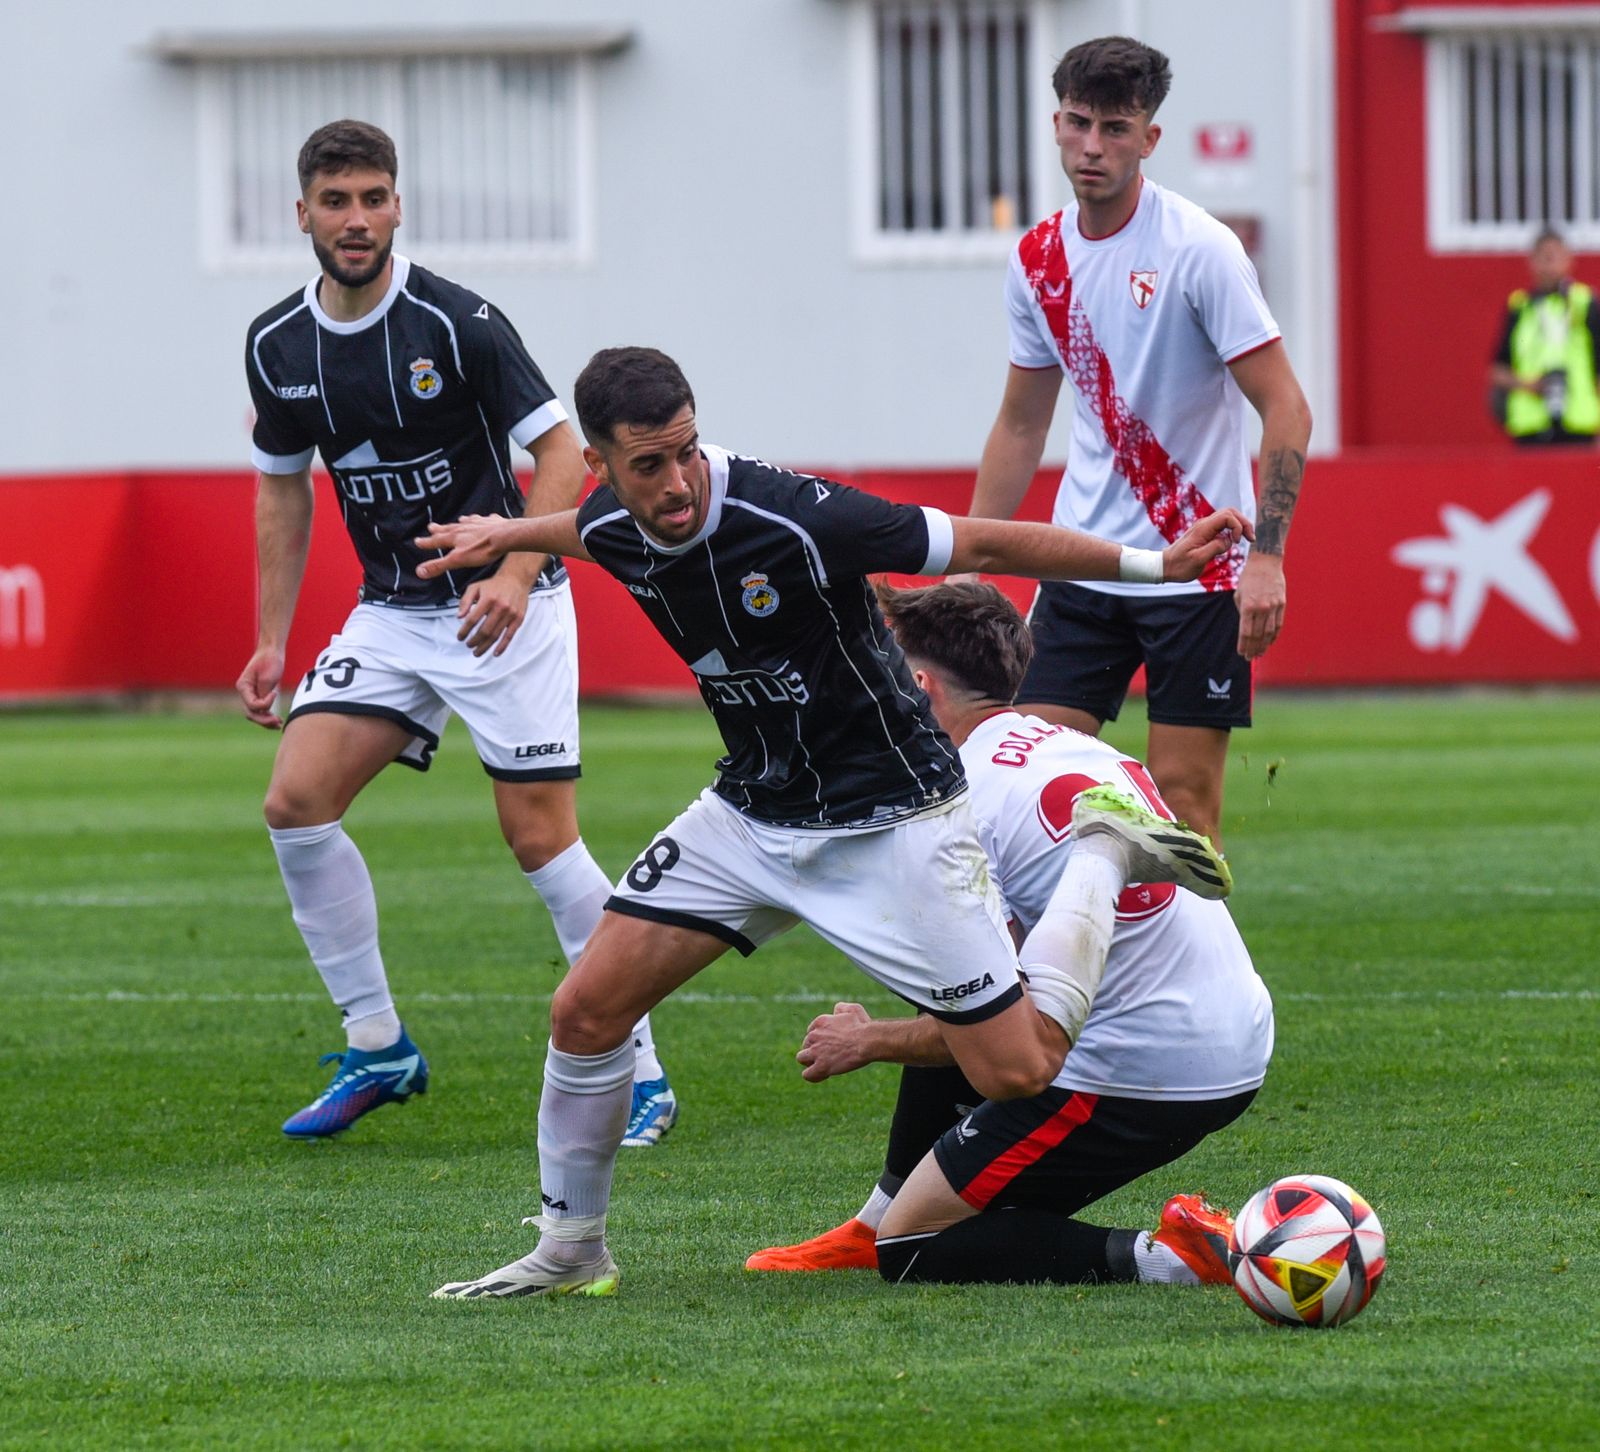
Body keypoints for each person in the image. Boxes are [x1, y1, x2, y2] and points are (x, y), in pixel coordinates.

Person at [412, 345, 1250, 1299]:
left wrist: (1155, 563)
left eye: (687, 451)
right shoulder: (611, 517)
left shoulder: (797, 518)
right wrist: (507, 533)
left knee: (1018, 1069)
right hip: (751, 813)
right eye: (649, 465)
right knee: (586, 1010)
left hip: (896, 818)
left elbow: (982, 545)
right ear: (601, 464)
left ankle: (1102, 854)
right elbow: (589, 528)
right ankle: (570, 1252)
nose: (678, 482)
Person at [239, 120, 676, 1146]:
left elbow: (565, 451)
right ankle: (379, 1044)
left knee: (539, 841)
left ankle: (640, 1071)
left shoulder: (459, 322)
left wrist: (520, 571)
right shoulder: (275, 344)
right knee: (295, 802)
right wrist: (271, 638)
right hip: (392, 612)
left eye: (375, 198)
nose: (358, 220)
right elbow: (281, 493)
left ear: (399, 206)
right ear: (301, 213)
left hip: (502, 610)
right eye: (337, 201)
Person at [746, 581, 1273, 1287]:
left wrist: (868, 1040)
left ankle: (1174, 1257)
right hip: (1224, 1033)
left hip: (1143, 1067)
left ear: (921, 686)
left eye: (878, 666)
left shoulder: (958, 802)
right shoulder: (1069, 744)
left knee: (917, 1245)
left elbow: (997, 1029)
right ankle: (875, 1216)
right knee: (958, 979)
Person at [962, 36, 1312, 848]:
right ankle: (1030, 980)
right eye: (1079, 124)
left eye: (1115, 129)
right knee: (1014, 785)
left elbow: (1287, 409)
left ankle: (1198, 980)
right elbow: (1021, 422)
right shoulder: (1039, 258)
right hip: (1087, 559)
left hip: (1200, 567)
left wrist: (1268, 557)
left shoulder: (1200, 250)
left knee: (1185, 809)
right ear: (1055, 123)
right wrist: (972, 562)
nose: (1092, 147)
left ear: (1149, 139)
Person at [1488, 228, 1600, 446]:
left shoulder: (1585, 303)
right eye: (1543, 256)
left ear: (1569, 260)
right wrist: (1529, 385)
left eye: (1555, 256)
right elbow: (1498, 370)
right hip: (1530, 427)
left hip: (1579, 425)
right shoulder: (1519, 307)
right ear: (1531, 262)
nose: (1549, 263)